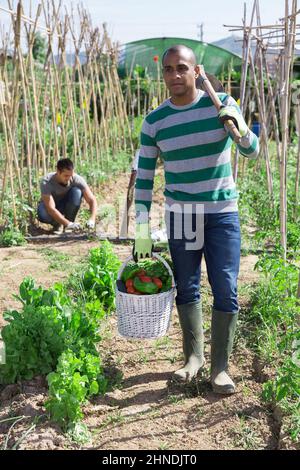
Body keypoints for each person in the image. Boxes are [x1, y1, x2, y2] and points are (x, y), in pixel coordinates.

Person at [133, 45, 259, 394]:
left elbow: (252, 150)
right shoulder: (155, 121)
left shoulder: (220, 105)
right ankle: (193, 359)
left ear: (195, 70)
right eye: (169, 69)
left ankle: (220, 368)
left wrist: (233, 122)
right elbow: (144, 179)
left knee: (225, 287)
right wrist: (141, 230)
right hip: (183, 215)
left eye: (182, 68)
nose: (175, 75)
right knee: (187, 287)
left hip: (221, 214)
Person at [37, 158, 97, 233]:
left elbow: (92, 200)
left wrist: (92, 219)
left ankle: (68, 225)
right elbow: (51, 209)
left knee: (77, 192)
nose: (68, 178)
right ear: (58, 172)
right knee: (43, 213)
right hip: (51, 207)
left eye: (70, 175)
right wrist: (68, 223)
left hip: (66, 204)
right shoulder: (47, 182)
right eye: (66, 176)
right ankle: (58, 224)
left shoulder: (76, 179)